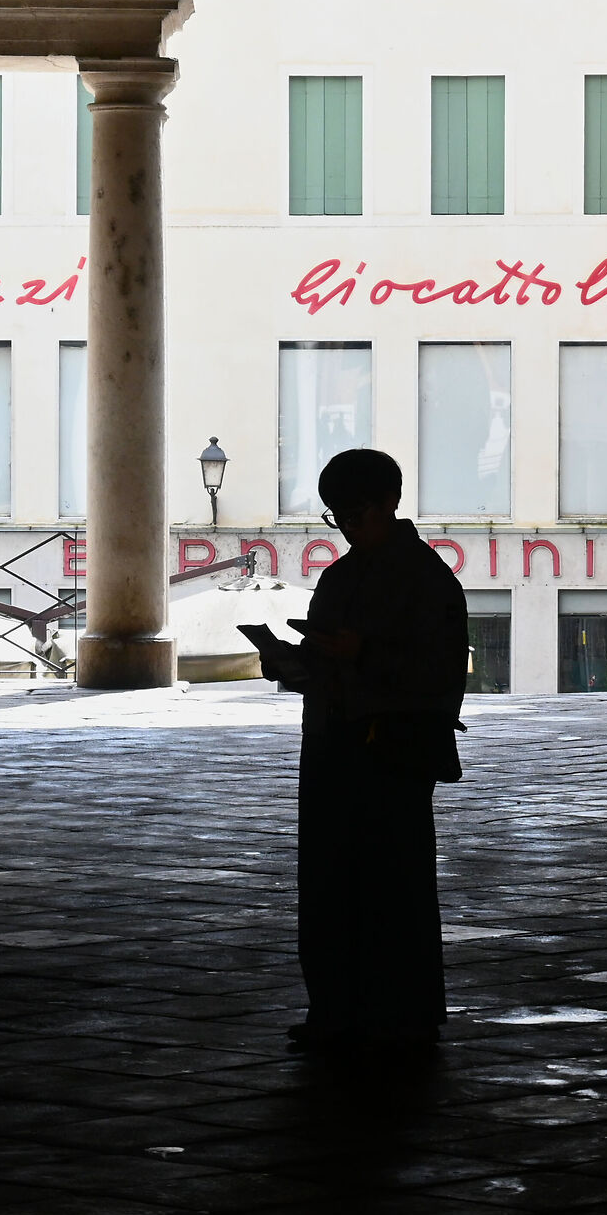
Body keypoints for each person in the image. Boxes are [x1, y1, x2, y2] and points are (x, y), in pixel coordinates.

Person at [257, 448, 466, 1052]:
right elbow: (326, 658)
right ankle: (337, 1006)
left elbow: (444, 672)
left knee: (391, 885)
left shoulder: (427, 579)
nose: (347, 527)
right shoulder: (342, 576)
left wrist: (362, 655)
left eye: (355, 513)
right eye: (336, 517)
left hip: (390, 752)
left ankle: (395, 1011)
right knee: (328, 882)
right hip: (333, 743)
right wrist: (292, 664)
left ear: (389, 505)